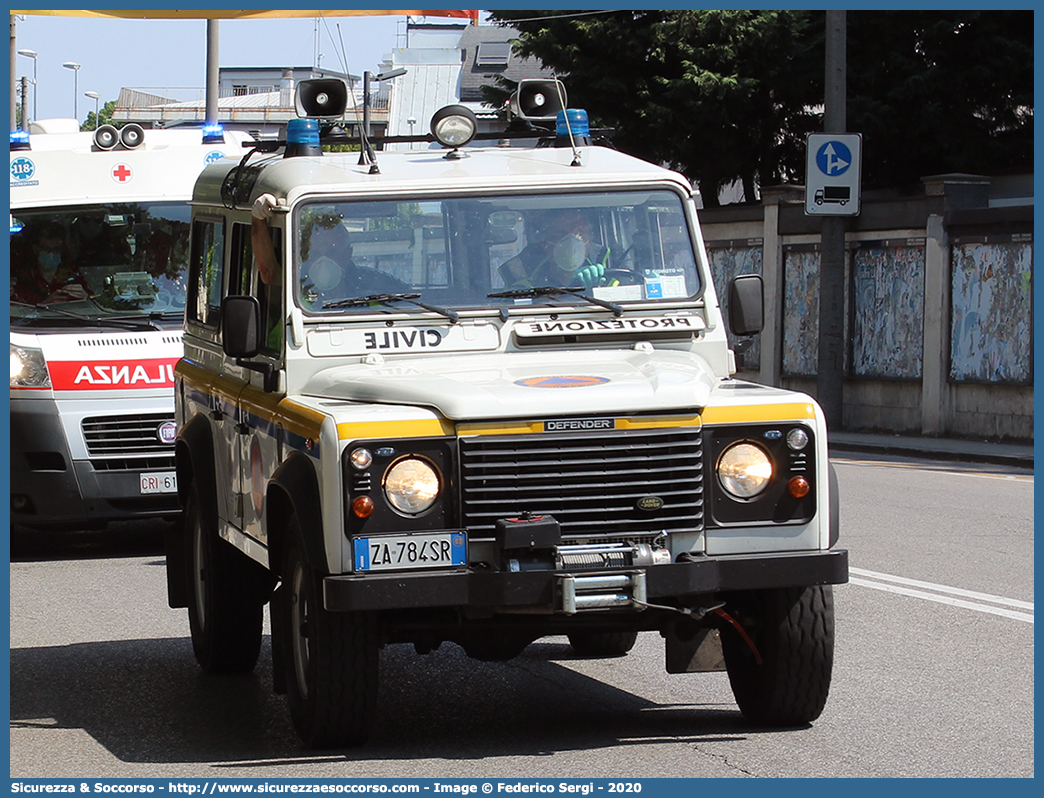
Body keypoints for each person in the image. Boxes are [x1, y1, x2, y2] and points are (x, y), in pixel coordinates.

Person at [252, 193, 408, 307]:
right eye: (316, 254)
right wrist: (259, 218)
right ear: (305, 255)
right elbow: (268, 272)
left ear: (348, 254)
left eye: (332, 253)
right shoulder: (296, 284)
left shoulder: (372, 287)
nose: (324, 261)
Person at [498, 210, 610, 290]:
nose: (572, 241)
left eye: (580, 233)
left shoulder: (612, 267)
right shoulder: (522, 277)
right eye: (560, 234)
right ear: (545, 243)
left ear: (590, 241)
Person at [10, 221, 90, 304]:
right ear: (36, 249)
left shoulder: (73, 276)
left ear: (62, 250)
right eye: (45, 249)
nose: (51, 254)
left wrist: (86, 297)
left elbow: (96, 304)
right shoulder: (20, 279)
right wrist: (44, 306)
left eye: (56, 249)